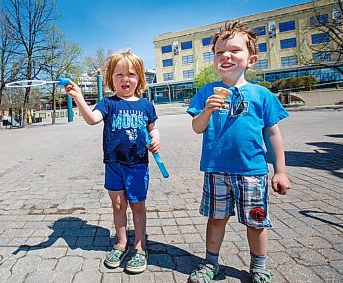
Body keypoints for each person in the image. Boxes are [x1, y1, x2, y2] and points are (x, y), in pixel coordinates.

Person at [186, 21, 291, 283]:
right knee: (216, 219)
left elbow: (273, 134)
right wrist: (207, 110)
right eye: (220, 52)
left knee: (257, 222)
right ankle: (211, 264)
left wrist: (280, 171)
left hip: (252, 172)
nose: (226, 56)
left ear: (251, 59)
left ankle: (259, 267)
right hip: (216, 170)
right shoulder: (205, 92)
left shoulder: (262, 95)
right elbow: (197, 128)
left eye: (234, 50)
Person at [64, 50, 160, 274]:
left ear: (140, 79)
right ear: (110, 80)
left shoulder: (146, 105)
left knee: (137, 205)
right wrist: (78, 98)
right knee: (118, 205)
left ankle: (139, 246)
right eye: (119, 75)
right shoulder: (108, 103)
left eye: (131, 74)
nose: (125, 79)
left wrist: (155, 141)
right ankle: (121, 242)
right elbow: (92, 119)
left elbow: (153, 129)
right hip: (113, 164)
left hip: (137, 165)